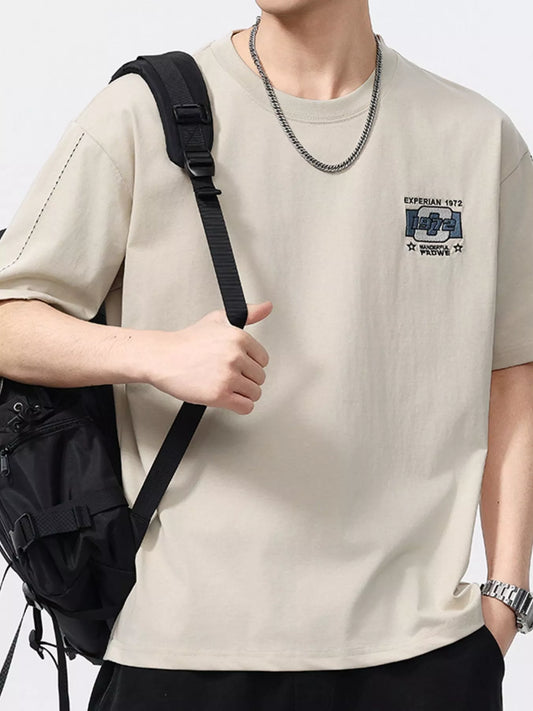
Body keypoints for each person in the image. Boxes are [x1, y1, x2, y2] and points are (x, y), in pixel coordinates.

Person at [0, 1, 531, 709]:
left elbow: (511, 370)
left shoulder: (477, 139)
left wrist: (506, 595)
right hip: (185, 651)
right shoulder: (140, 116)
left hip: (423, 655)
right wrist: (154, 354)